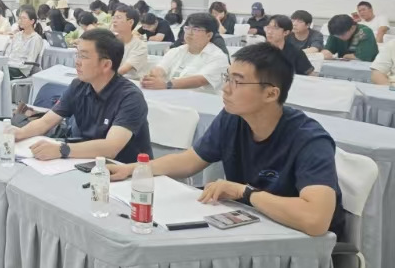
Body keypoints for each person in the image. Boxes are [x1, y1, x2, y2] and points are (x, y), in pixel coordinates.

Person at [109, 43, 344, 238]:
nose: (225, 89)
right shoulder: (233, 119)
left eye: (237, 82)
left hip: (298, 245)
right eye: (227, 78)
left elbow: (315, 220)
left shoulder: (309, 139)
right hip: (252, 229)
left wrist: (245, 193)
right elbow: (190, 161)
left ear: (271, 93)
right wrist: (135, 169)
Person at [11, 29, 152, 164]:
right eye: (77, 55)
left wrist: (62, 150)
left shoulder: (130, 97)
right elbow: (46, 122)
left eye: (84, 56)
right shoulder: (79, 85)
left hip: (123, 170)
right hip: (85, 160)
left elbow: (111, 148)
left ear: (106, 65)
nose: (77, 62)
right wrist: (19, 133)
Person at [141, 12, 228, 92]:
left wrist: (167, 85)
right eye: (187, 28)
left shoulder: (218, 57)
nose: (189, 33)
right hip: (170, 96)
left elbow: (200, 80)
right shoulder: (176, 51)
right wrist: (153, 78)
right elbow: (160, 68)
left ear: (209, 35)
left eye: (195, 29)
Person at [4, 6, 45, 78]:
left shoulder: (36, 39)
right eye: (19, 18)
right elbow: (7, 53)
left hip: (20, 70)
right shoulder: (17, 35)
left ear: (32, 21)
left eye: (24, 18)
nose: (20, 20)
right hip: (9, 66)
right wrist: (4, 63)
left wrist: (9, 64)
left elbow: (29, 63)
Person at [112, 5, 148, 80]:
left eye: (118, 18)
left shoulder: (140, 46)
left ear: (130, 22)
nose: (114, 21)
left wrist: (104, 79)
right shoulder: (109, 41)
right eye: (114, 17)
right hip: (111, 80)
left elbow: (122, 70)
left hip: (130, 82)